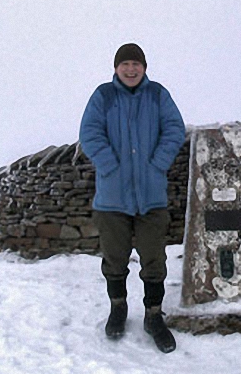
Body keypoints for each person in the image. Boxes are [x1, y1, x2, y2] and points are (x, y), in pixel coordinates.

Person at [79, 43, 185, 353]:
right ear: (116, 68)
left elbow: (175, 129)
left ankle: (154, 315)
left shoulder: (158, 95)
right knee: (114, 258)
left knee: (154, 260)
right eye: (124, 64)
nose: (130, 69)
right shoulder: (103, 96)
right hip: (112, 198)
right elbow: (89, 132)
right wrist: (110, 165)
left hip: (151, 196)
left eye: (135, 64)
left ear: (144, 67)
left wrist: (158, 165)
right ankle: (118, 308)